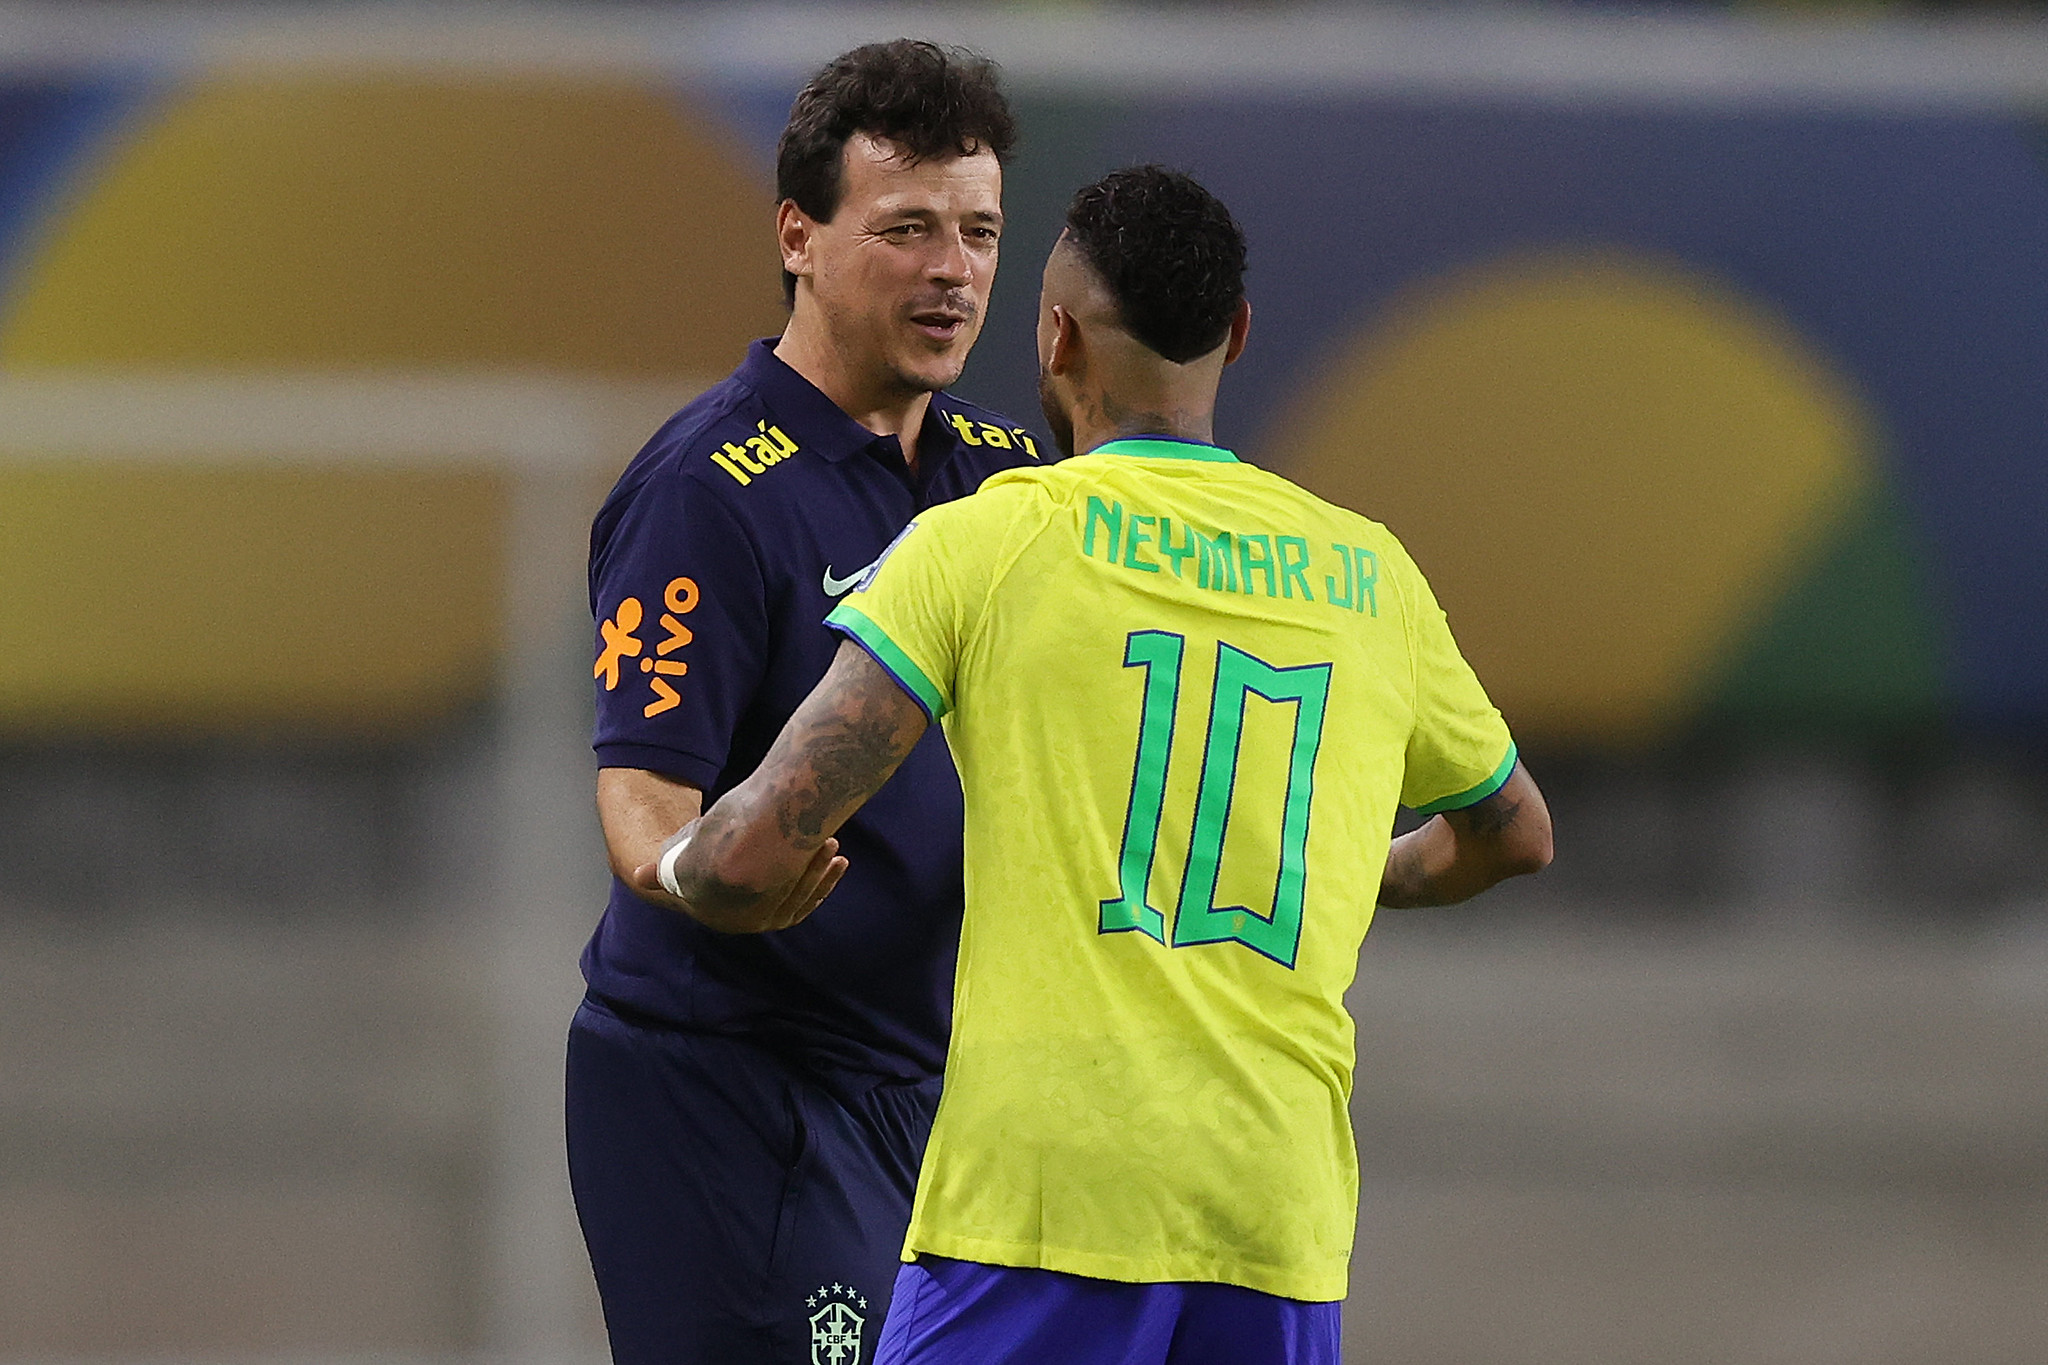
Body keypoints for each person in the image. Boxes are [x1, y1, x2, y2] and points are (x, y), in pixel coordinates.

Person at [633, 166, 1554, 1365]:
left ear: (1055, 333)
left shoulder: (994, 538)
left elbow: (759, 840)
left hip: (1044, 1201)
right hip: (1272, 1214)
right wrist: (1349, 866)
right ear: (1233, 335)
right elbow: (1512, 832)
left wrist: (681, 869)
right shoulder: (1367, 574)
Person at [567, 40, 1045, 1365]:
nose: (952, 269)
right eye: (905, 230)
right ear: (800, 235)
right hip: (729, 1089)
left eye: (978, 233)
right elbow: (641, 799)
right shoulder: (708, 491)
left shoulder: (1013, 478)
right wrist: (702, 871)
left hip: (934, 1089)